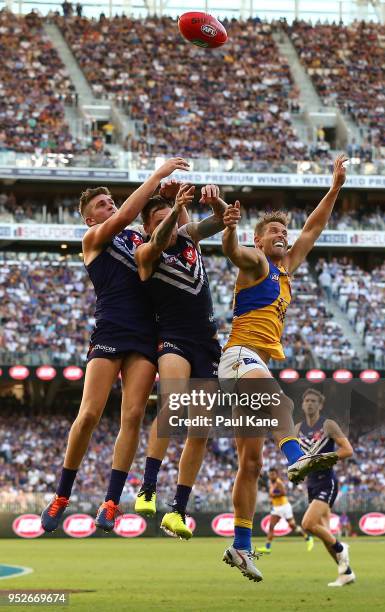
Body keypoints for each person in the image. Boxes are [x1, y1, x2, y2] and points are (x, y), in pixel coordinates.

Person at [40, 157, 189, 533]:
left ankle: (111, 501)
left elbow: (167, 232)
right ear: (90, 219)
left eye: (110, 201)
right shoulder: (93, 238)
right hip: (109, 330)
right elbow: (124, 217)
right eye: (101, 206)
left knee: (133, 415)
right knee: (89, 413)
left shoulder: (139, 237)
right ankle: (61, 495)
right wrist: (157, 177)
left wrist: (169, 202)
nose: (109, 207)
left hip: (145, 333)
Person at [218, 155, 348, 582]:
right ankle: (295, 458)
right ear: (260, 240)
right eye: (274, 231)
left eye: (283, 232)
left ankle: (240, 545)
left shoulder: (286, 267)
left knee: (250, 464)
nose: (282, 235)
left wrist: (334, 189)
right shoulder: (255, 262)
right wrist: (231, 227)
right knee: (278, 398)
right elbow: (231, 250)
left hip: (246, 366)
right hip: (240, 357)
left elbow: (314, 227)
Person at [134, 184, 227, 539]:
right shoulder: (146, 252)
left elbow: (217, 221)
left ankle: (177, 510)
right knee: (172, 406)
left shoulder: (187, 236)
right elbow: (158, 240)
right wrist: (173, 208)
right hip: (173, 338)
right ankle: (147, 487)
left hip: (206, 343)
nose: (168, 226)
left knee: (200, 429)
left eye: (170, 220)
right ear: (147, 227)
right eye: (158, 221)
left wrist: (214, 200)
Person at [297, 388, 355, 587]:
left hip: (327, 482)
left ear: (320, 405)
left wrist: (323, 458)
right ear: (302, 404)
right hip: (310, 484)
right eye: (307, 400)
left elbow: (347, 450)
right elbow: (298, 459)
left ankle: (341, 548)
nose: (310, 403)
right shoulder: (297, 429)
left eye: (314, 401)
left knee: (307, 524)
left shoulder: (328, 425)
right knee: (324, 533)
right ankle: (346, 573)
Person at [256, 468, 313, 554]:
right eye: (270, 474)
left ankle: (308, 538)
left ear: (276, 475)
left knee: (292, 525)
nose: (271, 476)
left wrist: (273, 495)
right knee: (271, 526)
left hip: (284, 506)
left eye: (273, 474)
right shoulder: (271, 482)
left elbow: (283, 493)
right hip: (276, 508)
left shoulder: (278, 482)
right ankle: (267, 547)